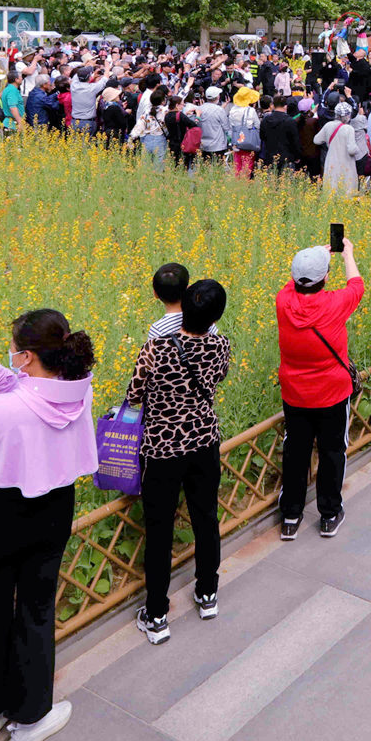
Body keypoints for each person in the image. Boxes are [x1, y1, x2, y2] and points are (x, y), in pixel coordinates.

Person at [0, 309, 96, 741]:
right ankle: (30, 718)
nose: (7, 355)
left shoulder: (2, 411)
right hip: (52, 512)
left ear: (26, 357)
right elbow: (34, 399)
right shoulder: (77, 391)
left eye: (12, 351)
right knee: (36, 609)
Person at [123, 272, 232, 641]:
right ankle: (207, 595)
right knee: (206, 519)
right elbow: (217, 378)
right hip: (204, 444)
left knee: (159, 531)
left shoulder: (157, 350)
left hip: (163, 451)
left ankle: (156, 616)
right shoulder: (222, 346)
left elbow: (133, 394)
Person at [274, 241, 364, 540]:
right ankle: (328, 514)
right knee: (332, 450)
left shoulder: (283, 302)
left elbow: (294, 282)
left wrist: (313, 256)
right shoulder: (336, 303)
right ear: (325, 278)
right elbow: (356, 283)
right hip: (332, 394)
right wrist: (345, 254)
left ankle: (290, 516)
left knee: (296, 450)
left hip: (295, 394)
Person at [316, 102, 362, 195]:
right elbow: (352, 149)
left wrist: (329, 143)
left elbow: (316, 140)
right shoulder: (348, 129)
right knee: (346, 191)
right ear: (348, 115)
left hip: (331, 161)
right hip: (346, 162)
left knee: (332, 190)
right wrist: (358, 149)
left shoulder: (328, 125)